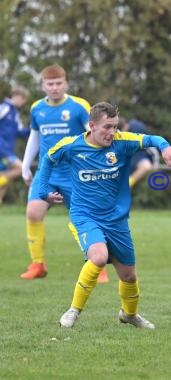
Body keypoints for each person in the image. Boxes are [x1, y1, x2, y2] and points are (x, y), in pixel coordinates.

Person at [37, 102, 171, 328]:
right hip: (85, 215)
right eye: (106, 127)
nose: (112, 132)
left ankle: (129, 315)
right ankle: (74, 310)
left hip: (116, 219)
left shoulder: (122, 142)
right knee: (99, 257)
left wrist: (166, 147)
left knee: (129, 276)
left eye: (114, 126)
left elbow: (152, 139)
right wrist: (43, 190)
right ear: (92, 126)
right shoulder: (72, 145)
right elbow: (47, 159)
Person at [19, 64, 111, 282]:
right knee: (33, 213)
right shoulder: (36, 108)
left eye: (58, 83)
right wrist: (25, 164)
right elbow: (35, 136)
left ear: (66, 83)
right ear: (42, 85)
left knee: (84, 218)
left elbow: (93, 135)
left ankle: (98, 265)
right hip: (47, 173)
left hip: (75, 173)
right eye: (50, 84)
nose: (54, 87)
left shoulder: (79, 106)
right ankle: (38, 265)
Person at [0, 86, 30, 204]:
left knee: (4, 180)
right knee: (21, 168)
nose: (23, 104)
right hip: (2, 148)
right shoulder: (5, 107)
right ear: (18, 97)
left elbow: (19, 131)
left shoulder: (15, 113)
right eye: (23, 100)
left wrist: (33, 129)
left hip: (8, 149)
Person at [118, 118, 159, 188]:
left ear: (125, 126)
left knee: (146, 166)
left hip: (140, 154)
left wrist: (156, 162)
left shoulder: (137, 128)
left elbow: (151, 145)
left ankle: (128, 184)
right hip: (128, 155)